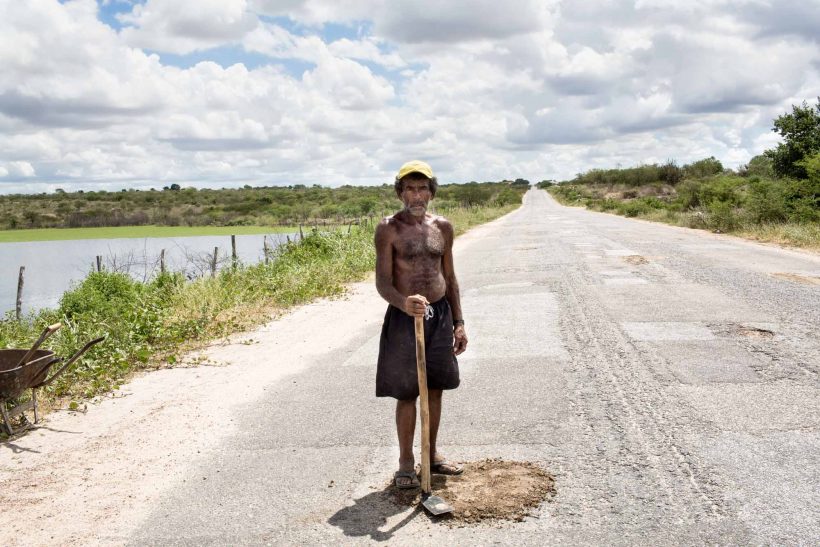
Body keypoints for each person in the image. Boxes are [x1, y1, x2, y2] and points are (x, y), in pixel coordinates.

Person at [374, 160, 469, 489]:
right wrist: (404, 303)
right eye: (410, 188)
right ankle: (405, 464)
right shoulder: (388, 228)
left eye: (423, 188)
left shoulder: (442, 226)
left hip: (440, 316)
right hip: (405, 319)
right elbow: (383, 282)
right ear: (400, 191)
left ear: (432, 191)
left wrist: (458, 321)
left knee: (436, 387)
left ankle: (431, 456)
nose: (417, 194)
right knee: (407, 392)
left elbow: (451, 277)